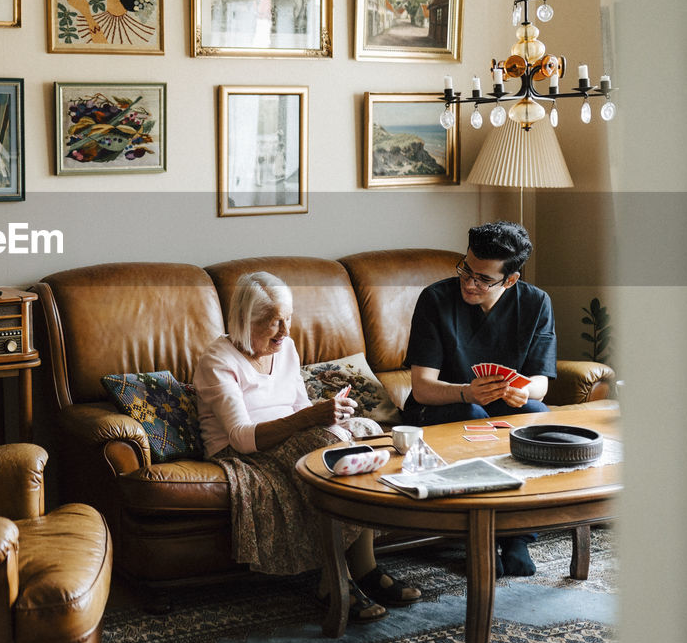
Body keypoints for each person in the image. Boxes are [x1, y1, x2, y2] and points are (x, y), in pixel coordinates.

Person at [193, 271, 421, 622]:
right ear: (244, 320)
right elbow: (240, 436)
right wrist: (312, 422)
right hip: (243, 452)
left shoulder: (285, 348)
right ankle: (335, 578)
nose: (285, 332)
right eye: (273, 323)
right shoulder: (217, 361)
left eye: (288, 318)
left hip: (293, 437)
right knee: (326, 451)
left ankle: (366, 567)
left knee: (361, 436)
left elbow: (300, 409)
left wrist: (330, 417)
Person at [404, 220, 554, 576]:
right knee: (472, 412)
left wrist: (523, 391)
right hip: (439, 406)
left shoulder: (535, 303)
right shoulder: (435, 299)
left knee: (537, 414)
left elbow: (540, 382)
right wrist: (465, 391)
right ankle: (481, 539)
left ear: (511, 280)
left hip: (500, 404)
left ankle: (516, 536)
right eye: (466, 270)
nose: (469, 283)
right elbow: (422, 386)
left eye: (484, 279)